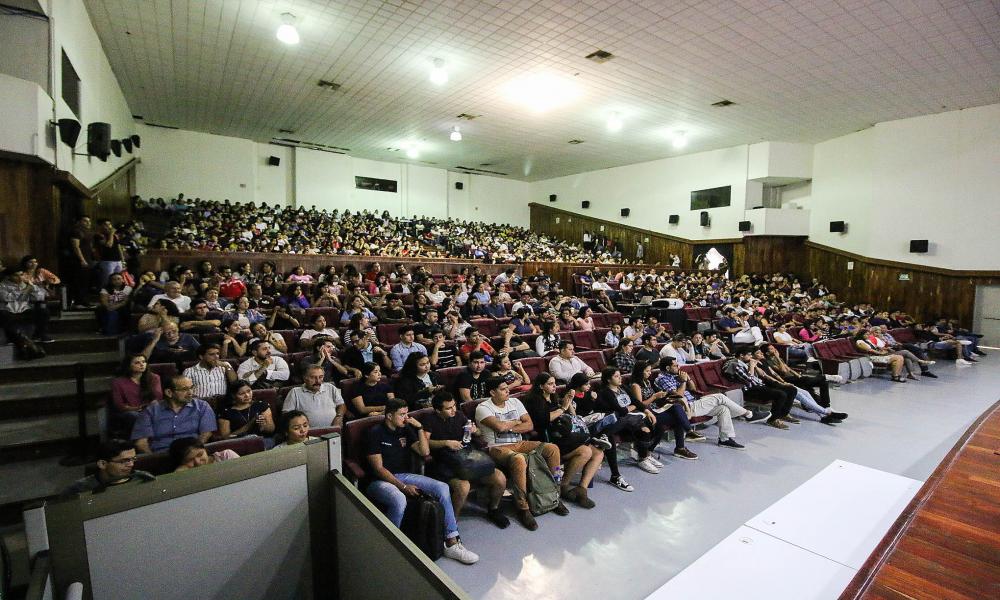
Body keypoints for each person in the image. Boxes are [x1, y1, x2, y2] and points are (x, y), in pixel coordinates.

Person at [364, 398, 480, 564]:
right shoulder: (375, 433)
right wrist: (403, 486)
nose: (406, 418)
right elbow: (378, 469)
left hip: (403, 475)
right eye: (402, 414)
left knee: (442, 487)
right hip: (379, 481)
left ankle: (452, 540)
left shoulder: (405, 429)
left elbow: (424, 451)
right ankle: (389, 545)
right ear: (389, 416)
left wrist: (419, 428)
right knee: (399, 498)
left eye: (407, 414)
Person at [475, 378, 567, 530]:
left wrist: (509, 427)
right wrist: (516, 422)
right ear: (492, 392)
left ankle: (555, 492)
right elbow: (499, 427)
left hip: (520, 443)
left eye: (507, 388)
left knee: (552, 449)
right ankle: (523, 507)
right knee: (518, 459)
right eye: (503, 389)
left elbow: (529, 425)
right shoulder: (483, 407)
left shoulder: (515, 402)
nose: (508, 391)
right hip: (498, 447)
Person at [418, 391, 510, 528]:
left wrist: (474, 430)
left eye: (454, 406)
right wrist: (445, 443)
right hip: (446, 463)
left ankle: (493, 509)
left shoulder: (459, 415)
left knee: (500, 478)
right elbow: (425, 442)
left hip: (468, 459)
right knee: (463, 487)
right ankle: (451, 523)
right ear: (438, 410)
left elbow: (479, 433)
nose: (453, 410)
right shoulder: (429, 419)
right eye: (448, 408)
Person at [521, 375, 604, 508]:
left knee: (598, 453)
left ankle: (582, 488)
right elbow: (543, 421)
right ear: (541, 386)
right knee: (585, 451)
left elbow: (571, 416)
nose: (554, 386)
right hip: (550, 439)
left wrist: (568, 402)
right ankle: (563, 485)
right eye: (550, 384)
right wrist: (563, 408)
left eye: (554, 383)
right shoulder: (534, 400)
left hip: (565, 435)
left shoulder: (553, 397)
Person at [655, 356, 767, 450]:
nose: (678, 367)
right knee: (719, 397)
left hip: (694, 403)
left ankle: (725, 439)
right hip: (684, 407)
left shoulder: (676, 375)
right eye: (675, 365)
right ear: (668, 368)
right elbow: (678, 395)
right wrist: (683, 381)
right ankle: (749, 415)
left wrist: (688, 379)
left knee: (723, 408)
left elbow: (693, 389)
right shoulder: (662, 379)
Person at [630, 361, 701, 460]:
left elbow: (654, 398)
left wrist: (662, 396)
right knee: (678, 418)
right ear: (640, 371)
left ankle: (686, 437)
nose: (650, 373)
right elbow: (640, 405)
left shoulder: (647, 381)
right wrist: (654, 396)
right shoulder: (635, 386)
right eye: (647, 371)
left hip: (656, 409)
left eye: (650, 370)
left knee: (676, 407)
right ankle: (682, 443)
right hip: (647, 414)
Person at [131, 375, 218, 453]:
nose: (190, 392)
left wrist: (194, 451)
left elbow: (206, 433)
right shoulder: (151, 410)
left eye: (191, 387)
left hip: (191, 453)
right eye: (184, 389)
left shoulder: (202, 406)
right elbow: (141, 443)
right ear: (169, 392)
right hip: (162, 455)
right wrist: (153, 460)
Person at [723, 346, 795, 429]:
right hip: (749, 389)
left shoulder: (745, 362)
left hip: (759, 385)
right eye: (749, 355)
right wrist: (752, 367)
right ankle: (773, 420)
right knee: (781, 394)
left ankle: (783, 414)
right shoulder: (735, 365)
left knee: (792, 389)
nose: (751, 357)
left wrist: (756, 366)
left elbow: (762, 374)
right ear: (741, 355)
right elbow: (749, 380)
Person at [62, 439, 154, 496]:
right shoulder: (79, 489)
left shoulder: (143, 478)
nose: (131, 464)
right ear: (102, 464)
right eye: (123, 461)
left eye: (133, 459)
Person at [110, 354, 162, 435]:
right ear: (128, 366)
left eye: (144, 362)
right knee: (135, 416)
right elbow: (119, 405)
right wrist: (137, 408)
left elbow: (158, 397)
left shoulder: (154, 378)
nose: (142, 364)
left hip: (151, 410)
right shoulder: (118, 382)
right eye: (137, 363)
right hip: (131, 411)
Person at [0, 266, 53, 344]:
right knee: (3, 315)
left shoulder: (27, 284)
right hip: (8, 311)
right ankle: (12, 338)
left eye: (21, 275)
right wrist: (25, 290)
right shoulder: (2, 286)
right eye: (16, 275)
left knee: (43, 311)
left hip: (25, 310)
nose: (19, 277)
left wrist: (33, 288)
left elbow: (40, 297)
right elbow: (7, 298)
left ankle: (40, 335)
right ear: (8, 277)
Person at [282, 365, 346, 428]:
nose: (318, 381)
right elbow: (286, 415)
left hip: (333, 430)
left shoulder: (330, 387)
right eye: (313, 377)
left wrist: (339, 417)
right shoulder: (295, 392)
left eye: (320, 377)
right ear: (304, 378)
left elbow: (341, 405)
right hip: (307, 434)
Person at [169, 437, 240, 472]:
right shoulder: (184, 471)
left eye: (200, 455)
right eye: (189, 460)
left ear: (205, 450)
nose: (197, 462)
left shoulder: (226, 456)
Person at [92, 219, 125, 288]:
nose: (109, 226)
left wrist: (123, 260)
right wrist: (111, 234)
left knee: (118, 280)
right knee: (107, 280)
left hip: (117, 260)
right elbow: (109, 245)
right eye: (106, 224)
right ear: (100, 226)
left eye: (109, 224)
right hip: (107, 261)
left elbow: (119, 248)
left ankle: (116, 294)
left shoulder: (114, 236)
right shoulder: (98, 236)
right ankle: (105, 294)